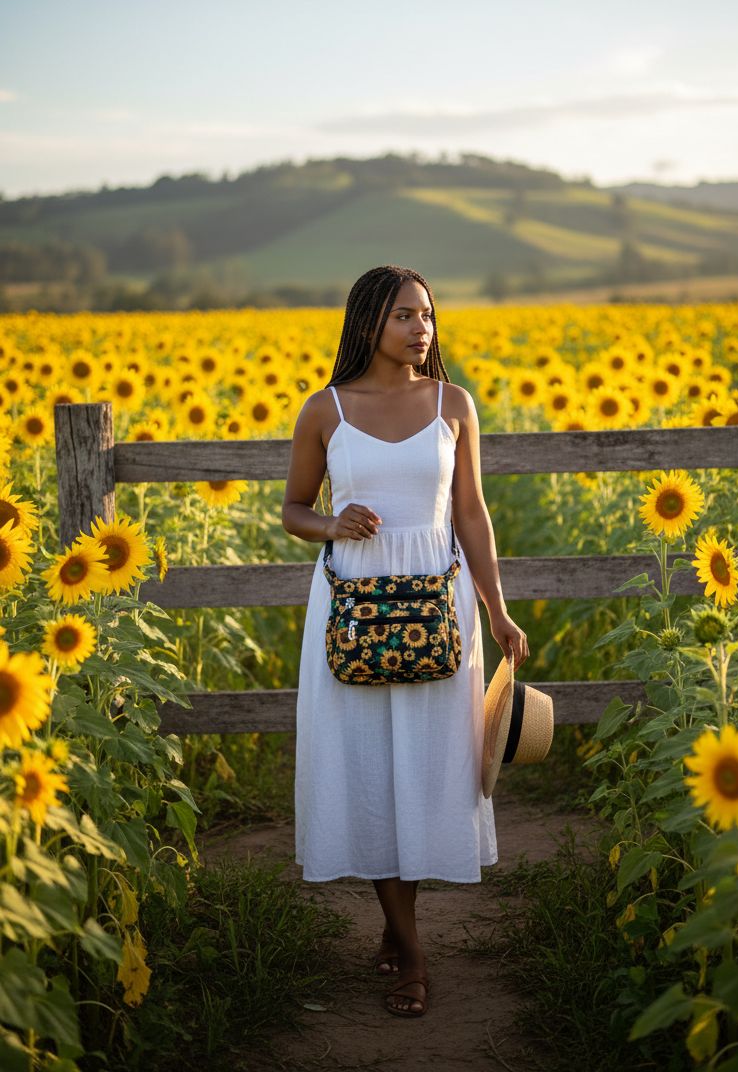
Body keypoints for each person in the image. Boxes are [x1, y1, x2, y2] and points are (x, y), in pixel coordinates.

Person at [282, 264, 528, 1019]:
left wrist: (497, 608)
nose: (421, 328)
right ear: (368, 323)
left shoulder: (454, 403)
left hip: (438, 602)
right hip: (353, 605)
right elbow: (293, 509)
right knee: (366, 764)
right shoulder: (325, 409)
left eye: (426, 314)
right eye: (403, 315)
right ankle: (413, 950)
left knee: (424, 766)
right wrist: (333, 522)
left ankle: (399, 927)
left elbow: (472, 513)